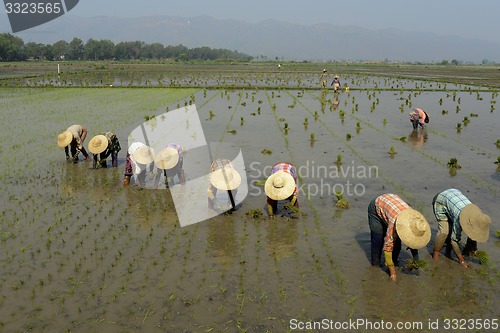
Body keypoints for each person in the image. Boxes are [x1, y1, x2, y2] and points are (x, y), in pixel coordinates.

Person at [368, 193, 431, 281]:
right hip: (377, 206)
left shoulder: (414, 219)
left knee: (397, 244)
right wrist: (393, 273)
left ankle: (394, 261)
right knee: (378, 239)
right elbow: (388, 248)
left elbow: (413, 241)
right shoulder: (394, 222)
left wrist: (416, 261)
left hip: (391, 205)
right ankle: (375, 266)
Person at [432, 188, 491, 268]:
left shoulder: (478, 216)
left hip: (454, 194)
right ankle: (435, 255)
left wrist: (473, 248)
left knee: (451, 229)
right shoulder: (460, 218)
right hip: (441, 201)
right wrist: (462, 260)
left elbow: (474, 232)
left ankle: (448, 252)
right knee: (444, 231)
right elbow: (454, 241)